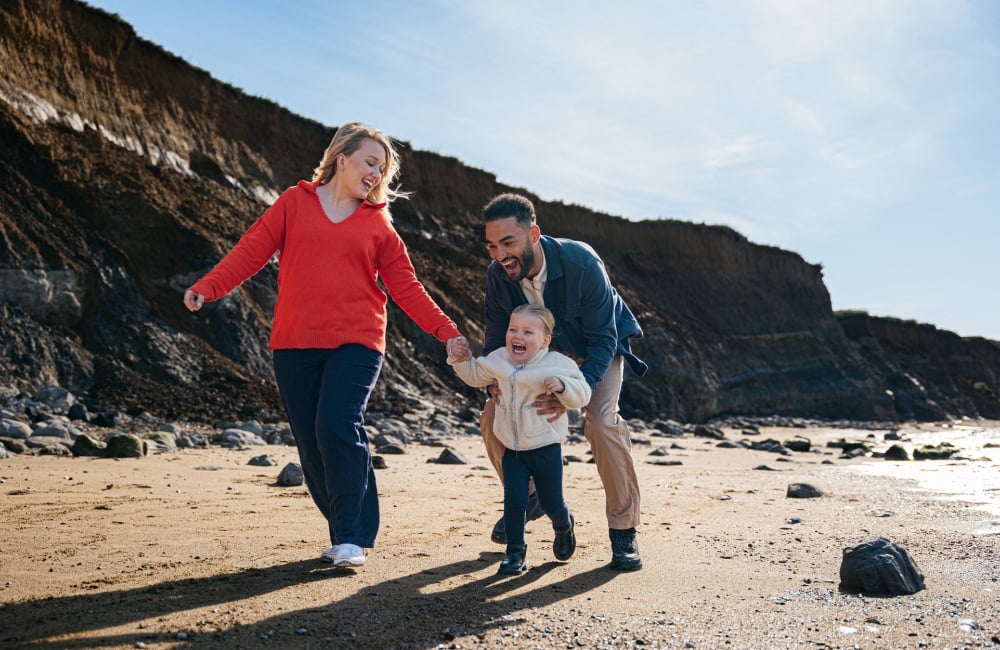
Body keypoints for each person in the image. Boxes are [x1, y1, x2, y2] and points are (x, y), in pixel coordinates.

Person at [183, 122, 465, 569]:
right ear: (342, 159)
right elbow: (252, 249)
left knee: (336, 423)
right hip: (293, 342)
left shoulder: (379, 228)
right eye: (370, 162)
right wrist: (210, 286)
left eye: (383, 169)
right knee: (312, 442)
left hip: (357, 341)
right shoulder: (295, 203)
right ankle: (346, 530)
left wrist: (448, 331)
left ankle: (352, 536)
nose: (376, 174)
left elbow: (407, 289)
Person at [478, 193, 648, 571]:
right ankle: (532, 493)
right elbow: (493, 340)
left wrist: (574, 394)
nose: (499, 255)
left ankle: (624, 532)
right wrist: (493, 383)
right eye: (491, 245)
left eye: (508, 243)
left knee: (602, 422)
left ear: (533, 233)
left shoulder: (581, 262)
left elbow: (605, 338)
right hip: (540, 356)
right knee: (492, 415)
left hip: (595, 348)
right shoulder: (497, 276)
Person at [448, 304, 591, 574]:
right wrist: (461, 359)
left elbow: (582, 394)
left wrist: (563, 387)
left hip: (545, 447)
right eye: (513, 329)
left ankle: (563, 526)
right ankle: (515, 553)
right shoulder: (499, 359)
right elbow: (475, 376)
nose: (518, 336)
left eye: (528, 332)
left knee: (551, 502)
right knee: (514, 501)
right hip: (511, 448)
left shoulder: (558, 364)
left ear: (545, 341)